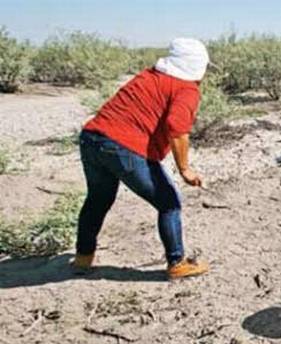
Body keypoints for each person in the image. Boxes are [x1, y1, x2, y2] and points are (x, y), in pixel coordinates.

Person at [72, 38, 210, 280]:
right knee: (169, 203)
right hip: (122, 147)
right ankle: (177, 263)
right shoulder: (186, 89)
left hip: (91, 139)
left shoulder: (149, 76)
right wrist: (185, 169)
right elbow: (177, 128)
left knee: (98, 199)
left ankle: (83, 258)